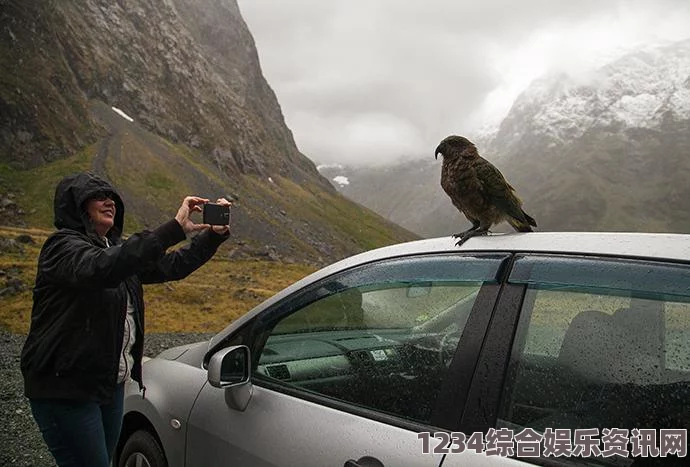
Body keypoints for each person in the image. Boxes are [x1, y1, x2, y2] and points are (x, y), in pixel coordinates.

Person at [20, 172, 231, 467]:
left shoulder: (115, 250)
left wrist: (213, 236)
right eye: (98, 197)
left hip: (109, 383)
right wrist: (174, 229)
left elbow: (174, 265)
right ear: (76, 206)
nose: (109, 202)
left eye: (113, 198)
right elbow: (102, 268)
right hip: (66, 387)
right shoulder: (62, 247)